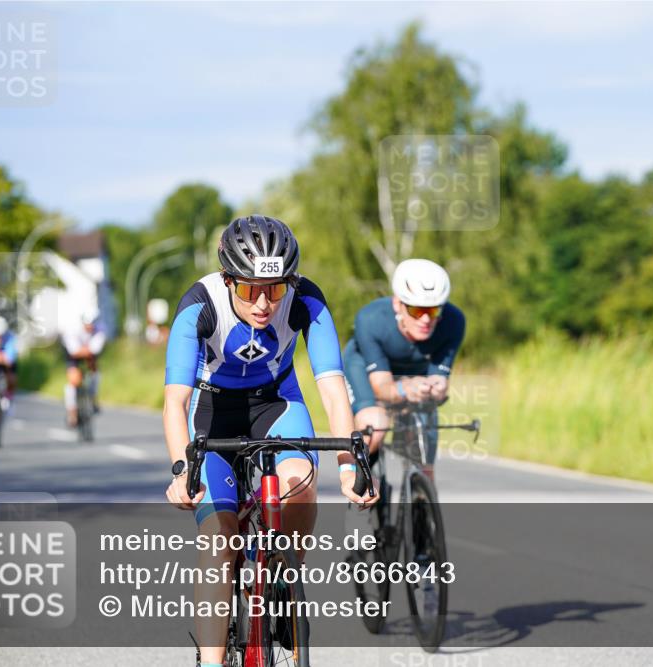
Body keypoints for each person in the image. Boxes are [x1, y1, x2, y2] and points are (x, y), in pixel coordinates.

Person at [162, 214, 377, 665]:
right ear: (228, 280)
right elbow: (175, 402)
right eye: (249, 289)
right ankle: (213, 659)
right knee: (218, 538)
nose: (263, 303)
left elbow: (333, 388)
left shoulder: (308, 300)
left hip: (276, 403)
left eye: (275, 289)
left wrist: (348, 466)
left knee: (300, 483)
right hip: (213, 414)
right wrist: (182, 472)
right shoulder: (199, 305)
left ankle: (284, 581)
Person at [342, 259, 465, 477]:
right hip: (365, 369)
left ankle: (421, 498)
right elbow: (382, 388)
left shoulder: (454, 321)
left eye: (434, 310)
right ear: (398, 304)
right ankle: (357, 489)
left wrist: (435, 389)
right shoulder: (370, 319)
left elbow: (440, 382)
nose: (426, 319)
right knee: (375, 427)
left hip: (414, 372)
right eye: (417, 310)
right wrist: (404, 389)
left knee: (424, 445)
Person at [62, 308, 106, 427]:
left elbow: (95, 349)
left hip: (89, 356)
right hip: (73, 357)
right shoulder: (72, 330)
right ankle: (72, 413)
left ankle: (93, 399)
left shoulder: (100, 330)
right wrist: (86, 350)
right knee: (73, 381)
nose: (90, 327)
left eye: (92, 324)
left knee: (95, 373)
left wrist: (86, 351)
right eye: (87, 324)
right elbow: (73, 351)